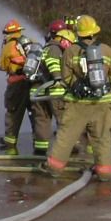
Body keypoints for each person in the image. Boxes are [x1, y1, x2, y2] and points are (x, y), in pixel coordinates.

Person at [43, 15, 111, 182]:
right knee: (102, 140)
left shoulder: (71, 51)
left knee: (66, 137)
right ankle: (104, 173)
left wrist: (77, 87)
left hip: (77, 104)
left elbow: (65, 78)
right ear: (94, 33)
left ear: (78, 33)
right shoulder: (107, 50)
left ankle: (54, 169)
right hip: (102, 103)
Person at [29, 19, 71, 155]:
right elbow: (53, 64)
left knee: (42, 120)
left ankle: (41, 149)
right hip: (54, 91)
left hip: (38, 92)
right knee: (63, 119)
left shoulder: (45, 48)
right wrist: (58, 78)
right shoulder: (54, 48)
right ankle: (66, 148)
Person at [0, 19, 32, 155]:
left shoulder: (9, 46)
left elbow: (2, 65)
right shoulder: (30, 42)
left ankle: (10, 143)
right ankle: (39, 144)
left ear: (9, 33)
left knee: (13, 111)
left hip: (16, 83)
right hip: (33, 82)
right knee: (34, 114)